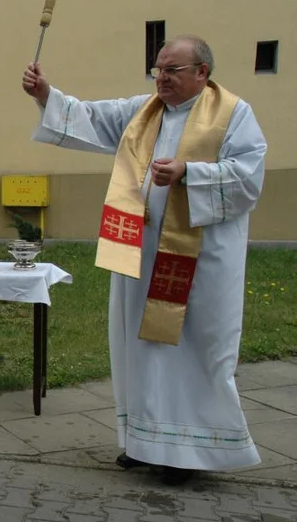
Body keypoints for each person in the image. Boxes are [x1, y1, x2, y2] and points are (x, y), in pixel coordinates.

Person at [21, 34, 268, 485]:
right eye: (157, 69)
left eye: (172, 70)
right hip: (144, 255)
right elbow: (93, 118)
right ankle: (145, 441)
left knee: (192, 351)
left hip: (200, 265)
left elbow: (249, 176)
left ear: (202, 73)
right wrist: (46, 95)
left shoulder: (234, 114)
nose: (162, 78)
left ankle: (188, 453)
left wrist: (189, 173)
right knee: (141, 347)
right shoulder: (144, 109)